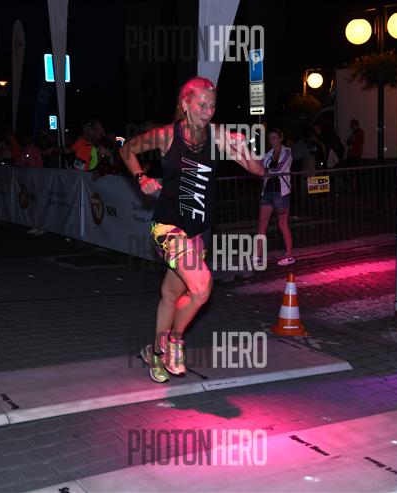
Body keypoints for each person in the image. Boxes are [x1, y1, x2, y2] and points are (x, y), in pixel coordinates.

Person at [119, 76, 264, 383]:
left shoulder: (219, 137)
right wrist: (141, 178)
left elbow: (258, 170)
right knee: (202, 287)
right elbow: (127, 149)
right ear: (185, 104)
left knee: (172, 295)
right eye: (201, 105)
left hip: (199, 232)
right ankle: (174, 342)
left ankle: (154, 352)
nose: (207, 112)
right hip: (168, 227)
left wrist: (245, 148)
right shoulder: (166, 136)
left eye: (212, 106)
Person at [257, 128, 294, 266]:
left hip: (281, 192)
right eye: (270, 138)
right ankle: (257, 256)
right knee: (262, 223)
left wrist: (264, 171)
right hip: (267, 191)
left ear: (280, 138)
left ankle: (289, 255)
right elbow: (259, 166)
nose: (272, 140)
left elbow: (279, 169)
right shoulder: (268, 154)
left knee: (282, 224)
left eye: (274, 137)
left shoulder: (287, 152)